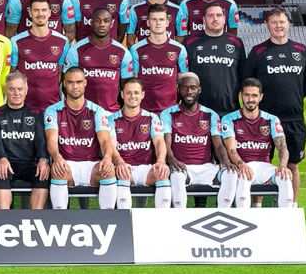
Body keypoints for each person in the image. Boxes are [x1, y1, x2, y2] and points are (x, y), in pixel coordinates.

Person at [242, 7, 306, 205]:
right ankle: (257, 205)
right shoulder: (258, 51)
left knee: (292, 165)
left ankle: (292, 206)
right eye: (274, 22)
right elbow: (247, 82)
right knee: (262, 164)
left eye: (282, 22)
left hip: (294, 118)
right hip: (265, 119)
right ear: (267, 25)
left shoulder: (301, 51)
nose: (278, 26)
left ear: (289, 23)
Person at [44, 67, 117, 210]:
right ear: (64, 84)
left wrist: (108, 158)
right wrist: (57, 158)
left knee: (108, 170)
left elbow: (105, 141)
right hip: (67, 164)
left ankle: (107, 220)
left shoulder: (97, 111)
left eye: (78, 82)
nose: (75, 86)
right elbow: (51, 141)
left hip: (91, 164)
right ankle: (60, 221)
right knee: (58, 169)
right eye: (70, 82)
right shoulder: (53, 110)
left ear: (85, 82)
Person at [219, 78, 293, 208]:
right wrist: (241, 164)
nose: (250, 99)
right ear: (241, 96)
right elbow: (231, 149)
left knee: (285, 177)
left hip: (264, 168)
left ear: (261, 97)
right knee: (244, 176)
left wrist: (282, 165)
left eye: (254, 95)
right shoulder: (229, 119)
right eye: (246, 95)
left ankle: (284, 224)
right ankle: (244, 222)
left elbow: (282, 147)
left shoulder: (271, 119)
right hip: (241, 166)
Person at [160, 72, 230, 208]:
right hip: (181, 167)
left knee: (231, 174)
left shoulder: (211, 114)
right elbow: (165, 144)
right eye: (185, 87)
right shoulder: (167, 114)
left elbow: (219, 145)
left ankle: (222, 218)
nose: (189, 91)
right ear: (178, 89)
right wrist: (172, 160)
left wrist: (225, 161)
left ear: (199, 89)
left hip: (206, 166)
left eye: (193, 87)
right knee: (177, 180)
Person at [107, 78, 171, 209]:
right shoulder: (111, 119)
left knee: (162, 173)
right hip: (123, 167)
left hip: (146, 168)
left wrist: (160, 161)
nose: (132, 96)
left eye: (136, 93)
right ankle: (123, 223)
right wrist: (120, 163)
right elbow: (111, 146)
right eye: (128, 93)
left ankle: (164, 223)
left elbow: (159, 141)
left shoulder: (152, 118)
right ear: (122, 95)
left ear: (142, 95)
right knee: (123, 174)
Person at [0, 72, 50, 209]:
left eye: (20, 89)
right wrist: (1, 158)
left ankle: (36, 220)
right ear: (5, 90)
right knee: (1, 173)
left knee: (43, 174)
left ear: (26, 90)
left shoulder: (36, 114)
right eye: (12, 89)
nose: (16, 93)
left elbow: (41, 142)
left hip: (30, 164)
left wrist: (43, 159)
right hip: (6, 164)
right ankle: (4, 221)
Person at [63, 7, 132, 112]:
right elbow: (67, 86)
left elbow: (126, 88)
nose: (102, 24)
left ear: (112, 24)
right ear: (91, 23)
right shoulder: (76, 50)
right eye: (97, 20)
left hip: (111, 114)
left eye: (106, 21)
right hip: (83, 113)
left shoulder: (122, 52)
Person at [10, 0, 70, 112]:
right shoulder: (16, 41)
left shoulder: (62, 41)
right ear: (30, 13)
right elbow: (12, 73)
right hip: (24, 108)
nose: (40, 14)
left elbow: (60, 75)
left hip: (52, 108)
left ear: (49, 12)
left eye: (43, 10)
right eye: (36, 10)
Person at [185, 3, 246, 117]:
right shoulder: (190, 43)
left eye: (218, 15)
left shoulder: (237, 43)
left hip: (230, 112)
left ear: (224, 19)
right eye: (210, 16)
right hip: (198, 111)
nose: (215, 19)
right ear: (204, 19)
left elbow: (243, 76)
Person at [130, 4, 189, 114]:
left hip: (171, 111)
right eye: (154, 19)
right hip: (144, 111)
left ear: (167, 22)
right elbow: (134, 81)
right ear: (148, 22)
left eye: (161, 19)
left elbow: (183, 82)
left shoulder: (179, 49)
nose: (158, 23)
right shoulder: (136, 49)